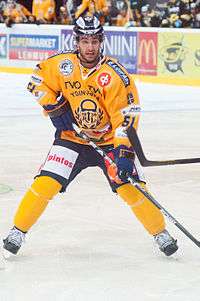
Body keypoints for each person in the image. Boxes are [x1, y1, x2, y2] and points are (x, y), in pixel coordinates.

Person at [3, 15, 178, 257]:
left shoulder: (115, 75)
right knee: (46, 183)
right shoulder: (61, 64)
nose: (90, 47)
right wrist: (54, 107)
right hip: (72, 138)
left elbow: (126, 116)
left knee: (131, 189)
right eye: (84, 41)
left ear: (101, 41)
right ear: (76, 41)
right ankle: (18, 231)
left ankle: (159, 232)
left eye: (94, 41)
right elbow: (36, 81)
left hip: (108, 142)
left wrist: (124, 151)